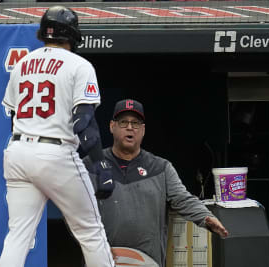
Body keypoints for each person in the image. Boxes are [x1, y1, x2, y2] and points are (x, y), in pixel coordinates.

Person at [0, 6, 115, 267]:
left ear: (44, 33)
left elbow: (11, 115)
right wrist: (101, 165)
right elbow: (84, 122)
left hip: (17, 151)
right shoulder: (79, 64)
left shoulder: (22, 63)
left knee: (18, 236)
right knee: (90, 232)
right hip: (55, 152)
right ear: (72, 35)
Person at [83, 99, 229, 267]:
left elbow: (183, 199)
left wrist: (206, 216)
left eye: (136, 123)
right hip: (102, 259)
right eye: (124, 122)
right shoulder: (91, 165)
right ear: (112, 126)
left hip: (148, 260)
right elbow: (75, 208)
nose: (130, 127)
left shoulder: (161, 168)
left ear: (143, 130)